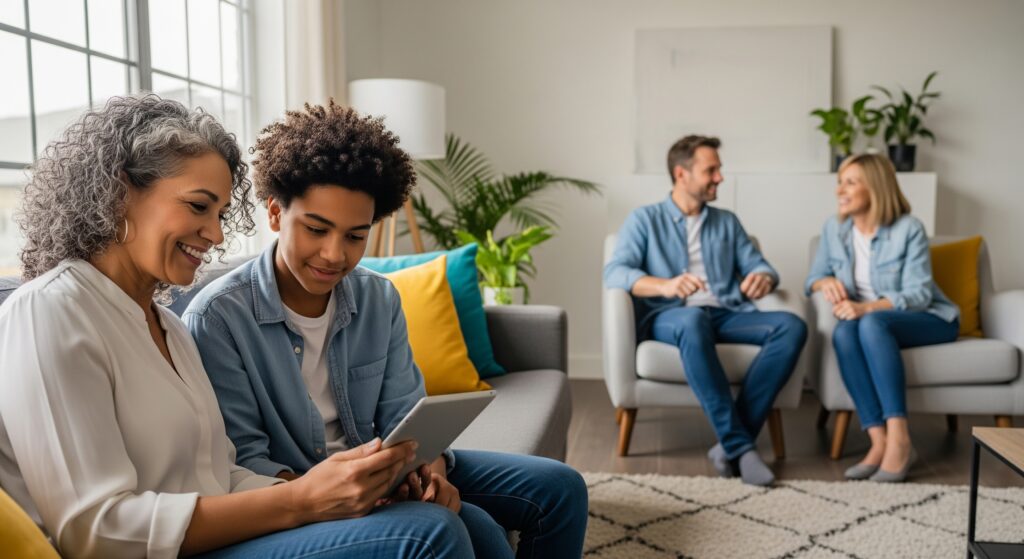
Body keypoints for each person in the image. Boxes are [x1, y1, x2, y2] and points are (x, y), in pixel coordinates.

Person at [0, 95, 472, 559]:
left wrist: (326, 491)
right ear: (121, 193)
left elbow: (222, 472)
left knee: (475, 530)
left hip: (227, 534)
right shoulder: (48, 312)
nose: (217, 234)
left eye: (220, 213)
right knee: (428, 533)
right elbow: (93, 532)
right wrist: (300, 500)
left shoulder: (167, 326)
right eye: (198, 206)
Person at [183, 100, 589, 558]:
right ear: (276, 215)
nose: (335, 254)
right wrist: (346, 493)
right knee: (476, 531)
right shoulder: (217, 318)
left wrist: (431, 472)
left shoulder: (379, 298)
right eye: (317, 229)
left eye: (355, 236)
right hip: (298, 490)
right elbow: (243, 460)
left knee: (560, 488)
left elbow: (405, 416)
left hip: (385, 469)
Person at [603, 135, 807, 486]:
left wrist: (762, 277)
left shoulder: (727, 222)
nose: (720, 178)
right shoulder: (645, 219)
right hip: (670, 316)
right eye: (711, 170)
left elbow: (762, 266)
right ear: (682, 174)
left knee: (792, 325)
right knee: (693, 319)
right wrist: (664, 285)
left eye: (719, 169)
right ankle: (742, 447)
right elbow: (616, 272)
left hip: (726, 312)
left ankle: (730, 445)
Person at [806, 153, 959, 483]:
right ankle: (879, 442)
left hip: (931, 319)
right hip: (870, 325)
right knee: (844, 332)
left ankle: (900, 439)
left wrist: (865, 308)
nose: (840, 191)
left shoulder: (908, 229)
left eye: (850, 182)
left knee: (869, 322)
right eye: (839, 182)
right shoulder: (835, 228)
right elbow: (813, 278)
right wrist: (825, 281)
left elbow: (918, 295)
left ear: (874, 187)